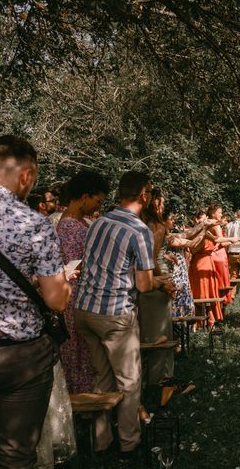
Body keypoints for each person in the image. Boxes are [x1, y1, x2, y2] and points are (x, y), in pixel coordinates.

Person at [73, 171, 174, 457]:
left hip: (84, 310)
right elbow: (143, 284)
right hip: (115, 314)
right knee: (129, 381)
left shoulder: (97, 223)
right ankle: (130, 442)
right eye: (150, 193)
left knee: (102, 378)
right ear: (144, 195)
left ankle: (101, 441)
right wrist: (160, 282)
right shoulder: (138, 230)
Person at [0, 135, 72, 469]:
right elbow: (55, 301)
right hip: (19, 357)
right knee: (15, 454)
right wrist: (66, 281)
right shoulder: (34, 225)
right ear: (25, 175)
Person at [56, 170, 110, 393]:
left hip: (86, 294)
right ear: (85, 196)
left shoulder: (82, 221)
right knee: (80, 351)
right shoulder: (69, 225)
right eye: (98, 201)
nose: (98, 206)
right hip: (75, 296)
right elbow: (73, 265)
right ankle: (84, 398)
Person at [139, 188, 175, 397]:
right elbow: (151, 259)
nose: (162, 207)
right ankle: (160, 378)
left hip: (141, 282)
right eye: (160, 203)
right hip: (156, 279)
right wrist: (164, 282)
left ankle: (144, 378)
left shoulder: (138, 223)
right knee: (160, 333)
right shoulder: (157, 226)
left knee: (144, 332)